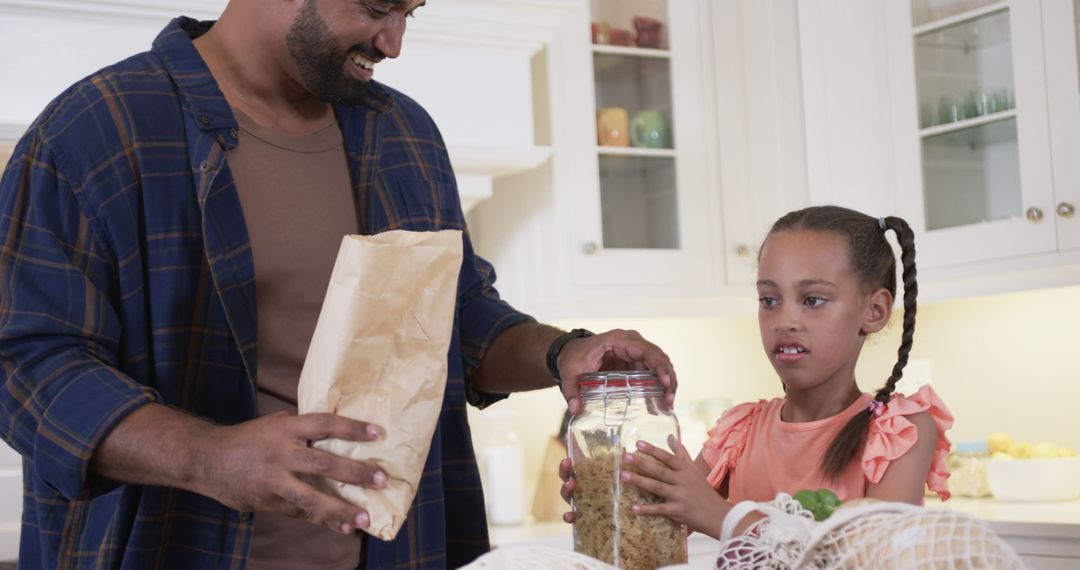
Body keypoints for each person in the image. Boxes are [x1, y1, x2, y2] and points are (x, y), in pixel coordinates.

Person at [0, 1, 677, 568]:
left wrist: (563, 353)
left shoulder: (404, 133)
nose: (394, 42)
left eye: (410, 12)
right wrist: (211, 456)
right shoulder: (95, 129)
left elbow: (457, 315)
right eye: (378, 6)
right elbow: (26, 366)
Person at [560, 205, 952, 539]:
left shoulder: (900, 433)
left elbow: (870, 555)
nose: (785, 320)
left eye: (812, 300)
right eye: (769, 299)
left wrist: (722, 515)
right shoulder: (740, 432)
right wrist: (612, 496)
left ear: (875, 311)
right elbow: (664, 526)